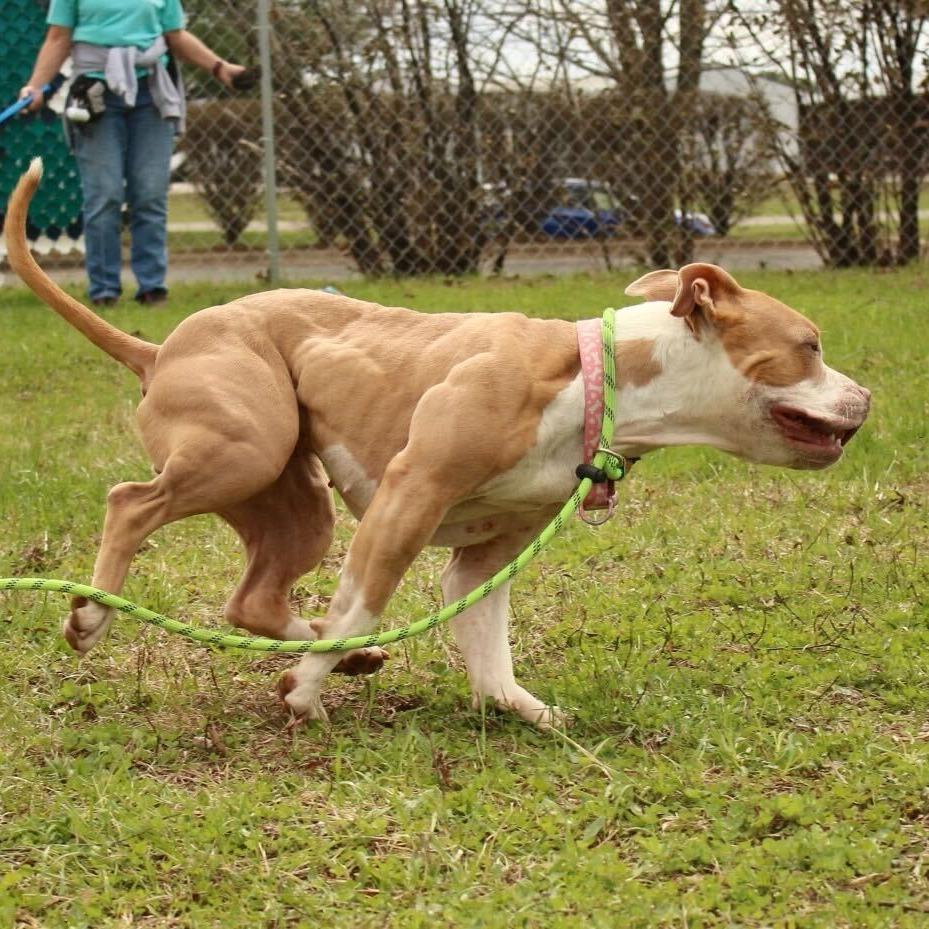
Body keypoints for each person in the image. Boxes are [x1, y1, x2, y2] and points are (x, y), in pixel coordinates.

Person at [20, 1, 247, 306]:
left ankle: (152, 288)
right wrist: (35, 86)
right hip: (94, 93)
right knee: (105, 195)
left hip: (151, 93)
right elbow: (58, 37)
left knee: (150, 194)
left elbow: (175, 37)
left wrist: (220, 68)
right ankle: (104, 292)